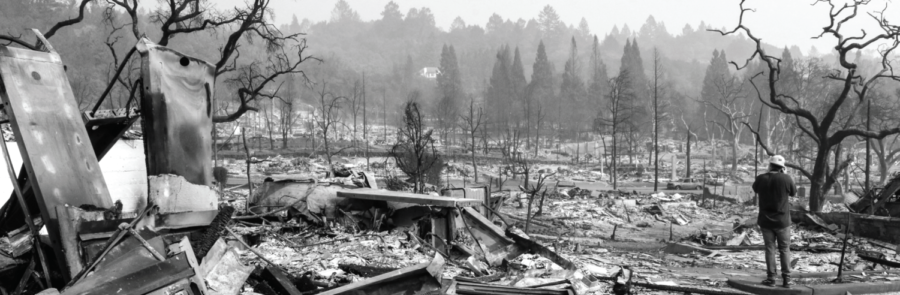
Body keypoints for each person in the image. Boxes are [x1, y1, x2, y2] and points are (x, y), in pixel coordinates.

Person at [752, 155, 796, 287]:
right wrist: (785, 175)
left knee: (770, 249)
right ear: (782, 168)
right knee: (784, 249)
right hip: (782, 221)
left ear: (770, 165)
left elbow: (755, 190)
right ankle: (786, 279)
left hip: (766, 221)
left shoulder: (760, 178)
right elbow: (793, 193)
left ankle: (771, 278)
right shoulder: (786, 178)